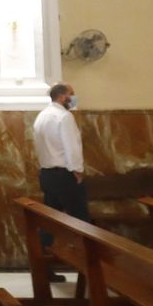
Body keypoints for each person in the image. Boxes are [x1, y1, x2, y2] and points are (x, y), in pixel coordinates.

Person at [32, 83, 90, 232]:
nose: (74, 98)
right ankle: (85, 247)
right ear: (62, 97)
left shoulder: (42, 116)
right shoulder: (64, 116)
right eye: (72, 94)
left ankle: (45, 246)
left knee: (49, 220)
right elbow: (71, 146)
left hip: (47, 175)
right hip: (64, 176)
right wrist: (77, 170)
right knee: (81, 219)